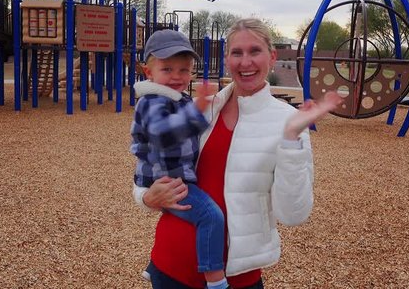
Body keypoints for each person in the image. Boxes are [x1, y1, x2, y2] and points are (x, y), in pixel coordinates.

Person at [133, 18, 343, 289]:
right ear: (227, 59)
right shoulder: (204, 108)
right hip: (169, 264)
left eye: (255, 51)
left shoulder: (289, 123)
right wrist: (146, 197)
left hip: (236, 279)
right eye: (237, 53)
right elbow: (151, 160)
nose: (245, 62)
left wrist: (291, 139)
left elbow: (293, 214)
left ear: (272, 57)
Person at [131, 29, 229, 289]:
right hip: (167, 180)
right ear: (147, 71)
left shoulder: (177, 98)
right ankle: (216, 281)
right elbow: (163, 134)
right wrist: (196, 112)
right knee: (211, 216)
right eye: (167, 69)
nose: (176, 76)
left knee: (193, 218)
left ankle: (157, 268)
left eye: (184, 70)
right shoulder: (151, 101)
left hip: (177, 175)